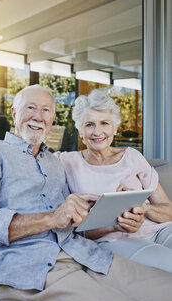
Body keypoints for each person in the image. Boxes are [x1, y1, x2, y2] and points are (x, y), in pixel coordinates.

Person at [0, 85, 172, 301]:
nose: (38, 117)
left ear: (52, 119)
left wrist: (105, 216)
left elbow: (75, 226)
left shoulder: (53, 162)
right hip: (28, 268)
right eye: (30, 108)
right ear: (14, 113)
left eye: (46, 110)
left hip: (86, 255)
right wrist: (52, 218)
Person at [56, 88, 172, 273]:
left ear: (115, 128)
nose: (98, 132)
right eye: (89, 125)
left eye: (104, 123)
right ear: (80, 130)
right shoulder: (66, 163)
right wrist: (113, 225)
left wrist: (144, 208)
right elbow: (78, 231)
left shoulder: (132, 156)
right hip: (120, 240)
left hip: (162, 230)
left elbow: (168, 210)